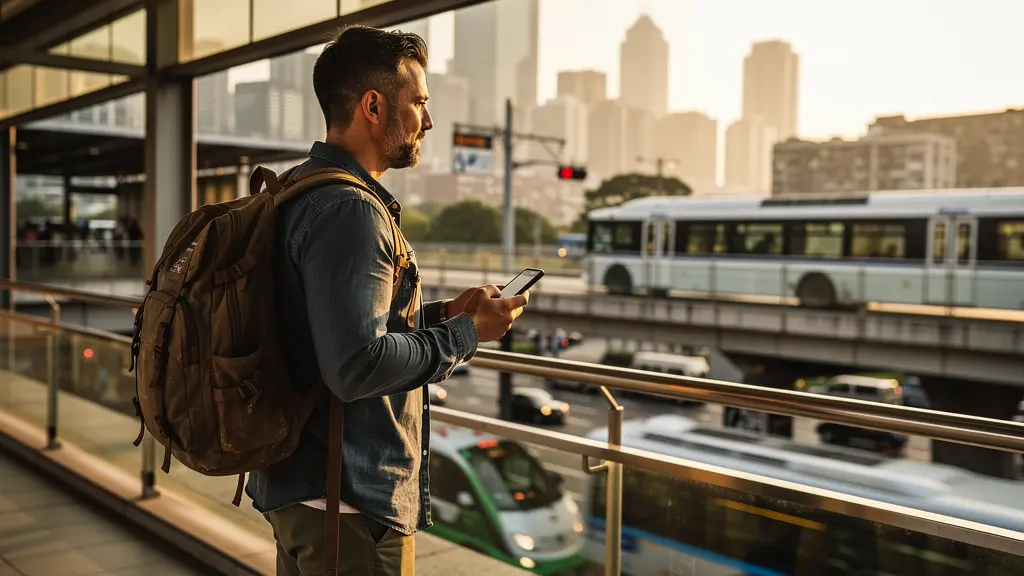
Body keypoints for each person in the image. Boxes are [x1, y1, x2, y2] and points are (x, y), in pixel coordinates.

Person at [244, 25, 530, 575]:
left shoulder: (298, 188)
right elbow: (355, 364)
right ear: (373, 107)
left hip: (304, 490)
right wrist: (469, 334)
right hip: (348, 502)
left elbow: (332, 325)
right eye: (419, 101)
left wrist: (446, 314)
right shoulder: (351, 211)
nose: (429, 120)